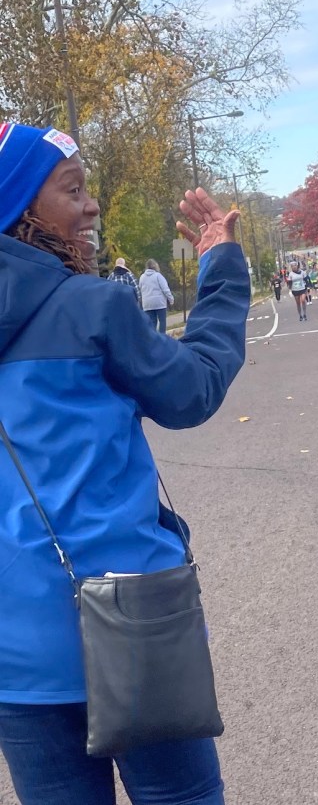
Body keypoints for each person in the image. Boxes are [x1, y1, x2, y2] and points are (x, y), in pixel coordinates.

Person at [0, 123, 250, 805]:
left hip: (14, 651)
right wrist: (222, 268)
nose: (92, 205)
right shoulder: (93, 305)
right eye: (72, 189)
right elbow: (193, 389)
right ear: (20, 208)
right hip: (133, 617)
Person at [139, 258, 174, 333]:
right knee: (162, 321)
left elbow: (140, 289)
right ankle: (162, 337)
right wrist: (171, 299)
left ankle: (153, 338)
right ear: (155, 266)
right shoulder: (158, 276)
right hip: (159, 303)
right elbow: (165, 289)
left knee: (152, 322)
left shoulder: (142, 277)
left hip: (147, 304)